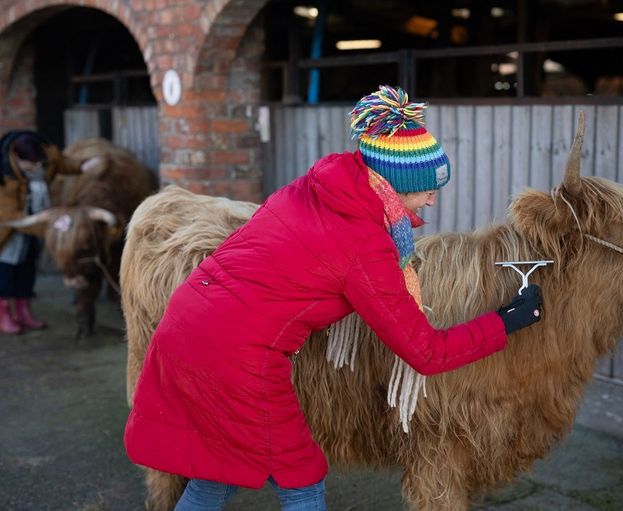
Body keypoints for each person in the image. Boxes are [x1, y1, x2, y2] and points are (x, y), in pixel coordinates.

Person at [124, 85, 543, 511]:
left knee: (220, 469)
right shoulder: (366, 246)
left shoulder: (314, 189)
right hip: (238, 357)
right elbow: (426, 354)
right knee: (301, 477)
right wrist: (505, 321)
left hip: (184, 327)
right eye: (427, 188)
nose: (434, 198)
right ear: (395, 184)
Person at [0, 131, 59, 334]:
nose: (37, 168)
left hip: (31, 234)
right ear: (16, 157)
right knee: (6, 276)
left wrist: (83, 165)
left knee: (27, 271)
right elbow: (9, 217)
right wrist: (44, 222)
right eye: (31, 164)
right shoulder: (3, 176)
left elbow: (60, 162)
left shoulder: (36, 169)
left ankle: (23, 312)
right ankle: (4, 314)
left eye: (38, 163)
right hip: (7, 235)